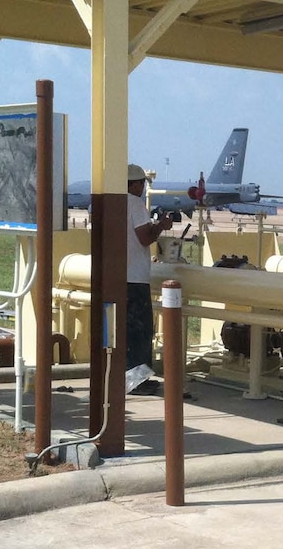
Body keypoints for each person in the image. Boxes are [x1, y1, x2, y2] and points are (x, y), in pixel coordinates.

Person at [126, 163, 172, 395]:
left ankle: (126, 377)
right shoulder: (135, 204)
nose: (143, 188)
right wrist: (161, 226)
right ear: (135, 184)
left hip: (117, 276)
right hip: (135, 277)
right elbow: (144, 238)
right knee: (140, 330)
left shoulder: (113, 203)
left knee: (124, 331)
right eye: (142, 184)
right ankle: (138, 382)